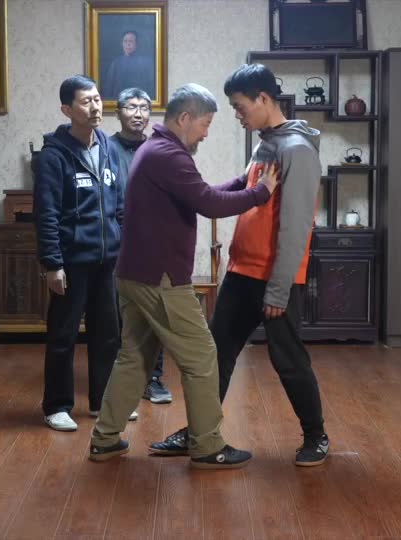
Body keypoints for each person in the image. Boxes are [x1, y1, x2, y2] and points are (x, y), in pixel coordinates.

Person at [88, 83, 278, 469]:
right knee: (203, 355)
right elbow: (208, 203)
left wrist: (243, 182)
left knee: (134, 358)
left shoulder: (157, 150)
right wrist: (260, 193)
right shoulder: (167, 155)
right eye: (205, 124)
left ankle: (104, 440)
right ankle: (208, 447)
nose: (206, 133)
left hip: (135, 273)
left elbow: (199, 192)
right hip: (159, 278)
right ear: (185, 118)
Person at [149, 64, 330, 467]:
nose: (237, 114)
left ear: (263, 99)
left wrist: (279, 290)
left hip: (274, 278)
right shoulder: (266, 144)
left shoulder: (296, 150)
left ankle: (316, 435)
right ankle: (200, 432)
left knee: (288, 359)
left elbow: (296, 225)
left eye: (239, 106)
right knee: (216, 354)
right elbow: (249, 194)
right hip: (241, 272)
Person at [34, 75, 134, 431]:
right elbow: (46, 213)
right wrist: (52, 264)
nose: (95, 107)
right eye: (86, 101)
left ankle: (102, 401)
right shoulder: (52, 156)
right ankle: (56, 406)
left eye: (97, 99)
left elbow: (119, 204)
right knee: (63, 335)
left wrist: (123, 248)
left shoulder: (108, 147)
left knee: (108, 334)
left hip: (107, 260)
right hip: (71, 262)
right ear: (67, 109)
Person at [106, 87, 172, 405]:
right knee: (117, 315)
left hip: (153, 243)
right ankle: (120, 378)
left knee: (154, 313)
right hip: (115, 242)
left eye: (144, 108)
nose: (138, 114)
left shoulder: (159, 148)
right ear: (117, 112)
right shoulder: (105, 149)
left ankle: (154, 377)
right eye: (131, 107)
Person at [102, 31, 154, 100]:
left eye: (131, 41)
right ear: (122, 44)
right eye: (125, 41)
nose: (128, 44)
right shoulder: (116, 63)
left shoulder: (145, 63)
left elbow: (150, 86)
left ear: (136, 44)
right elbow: (109, 86)